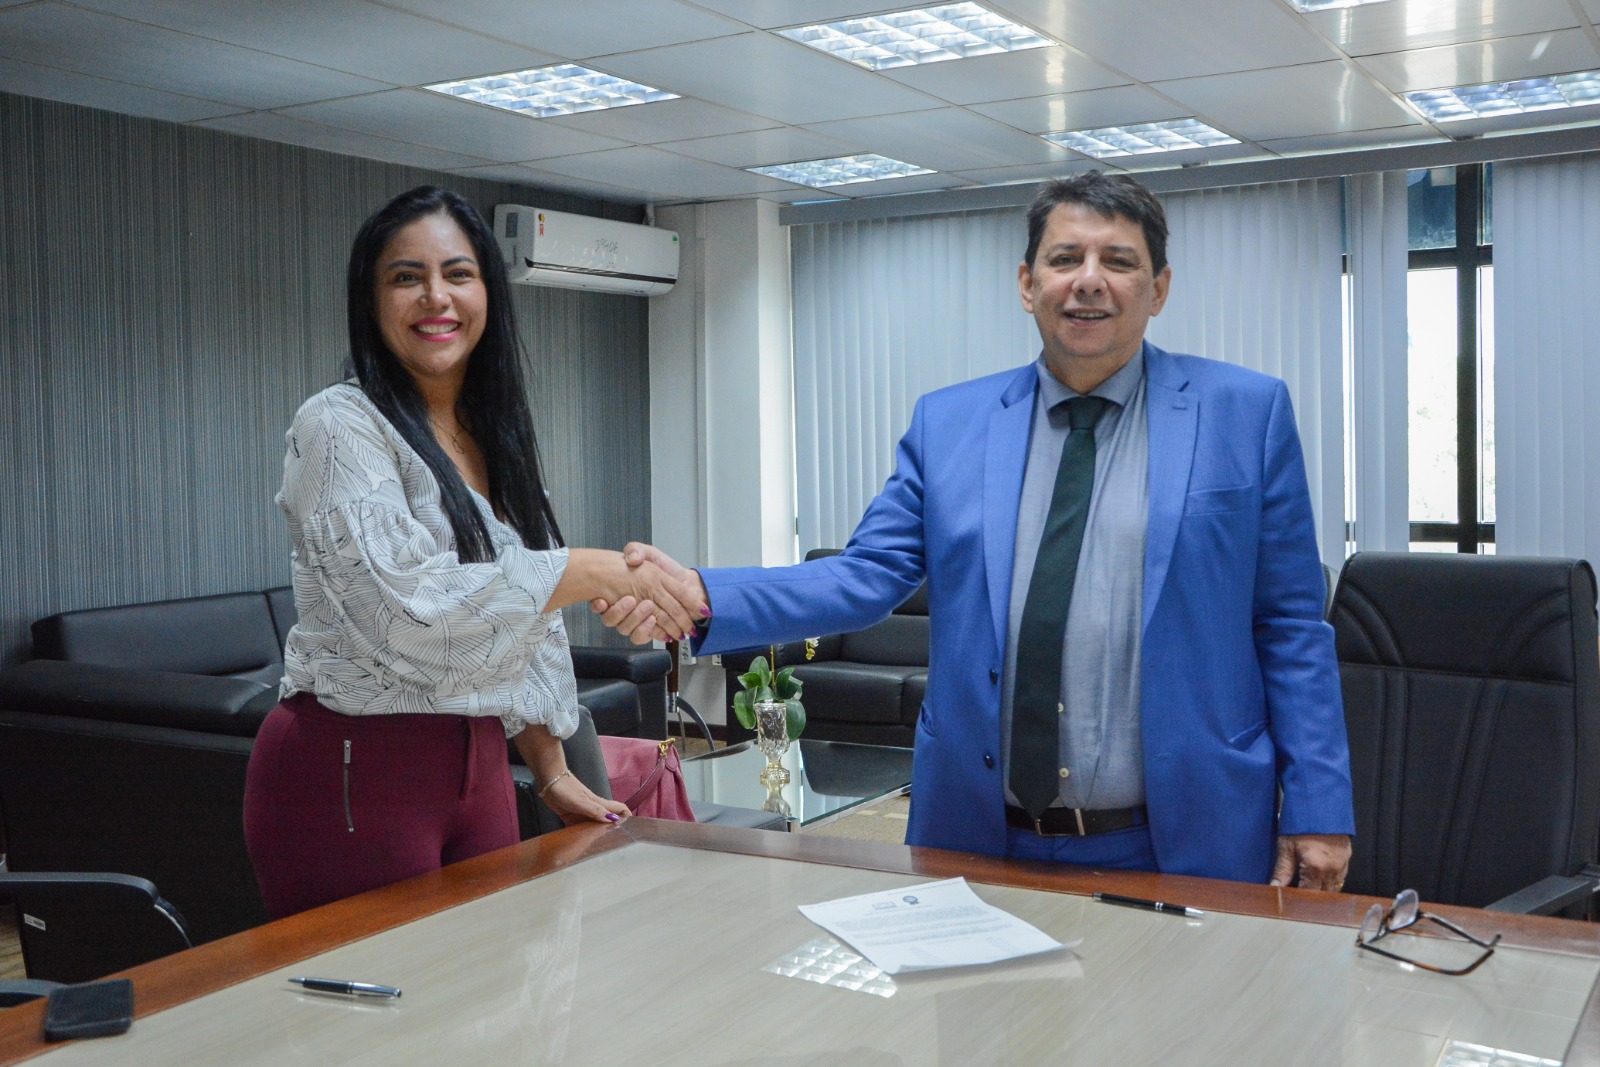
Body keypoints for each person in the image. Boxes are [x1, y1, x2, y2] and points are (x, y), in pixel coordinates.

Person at [598, 172, 1354, 890]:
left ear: (1157, 288)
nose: (1089, 279)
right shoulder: (950, 423)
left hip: (1183, 835)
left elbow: (1289, 623)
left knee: (1190, 1031)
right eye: (1065, 258)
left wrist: (1320, 807)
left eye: (1118, 261)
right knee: (983, 1030)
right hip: (980, 831)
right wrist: (702, 592)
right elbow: (863, 576)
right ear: (1028, 284)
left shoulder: (1244, 415)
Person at [243, 185, 706, 919]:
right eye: (406, 276)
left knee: (489, 1003)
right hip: (353, 771)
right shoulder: (338, 424)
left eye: (458, 273)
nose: (436, 297)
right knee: (379, 1021)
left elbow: (516, 621)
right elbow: (408, 615)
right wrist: (594, 571)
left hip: (478, 764)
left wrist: (550, 769)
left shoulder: (491, 434)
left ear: (488, 290)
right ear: (370, 299)